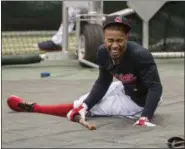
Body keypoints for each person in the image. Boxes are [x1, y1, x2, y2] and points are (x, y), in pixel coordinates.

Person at [7, 15, 163, 127]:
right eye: (110, 40)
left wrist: (145, 116)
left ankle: (34, 108)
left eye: (119, 40)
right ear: (104, 38)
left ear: (126, 38)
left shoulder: (140, 55)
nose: (115, 45)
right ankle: (79, 106)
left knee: (91, 109)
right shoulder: (102, 52)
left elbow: (155, 88)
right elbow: (103, 82)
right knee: (82, 105)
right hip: (124, 87)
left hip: (138, 103)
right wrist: (85, 105)